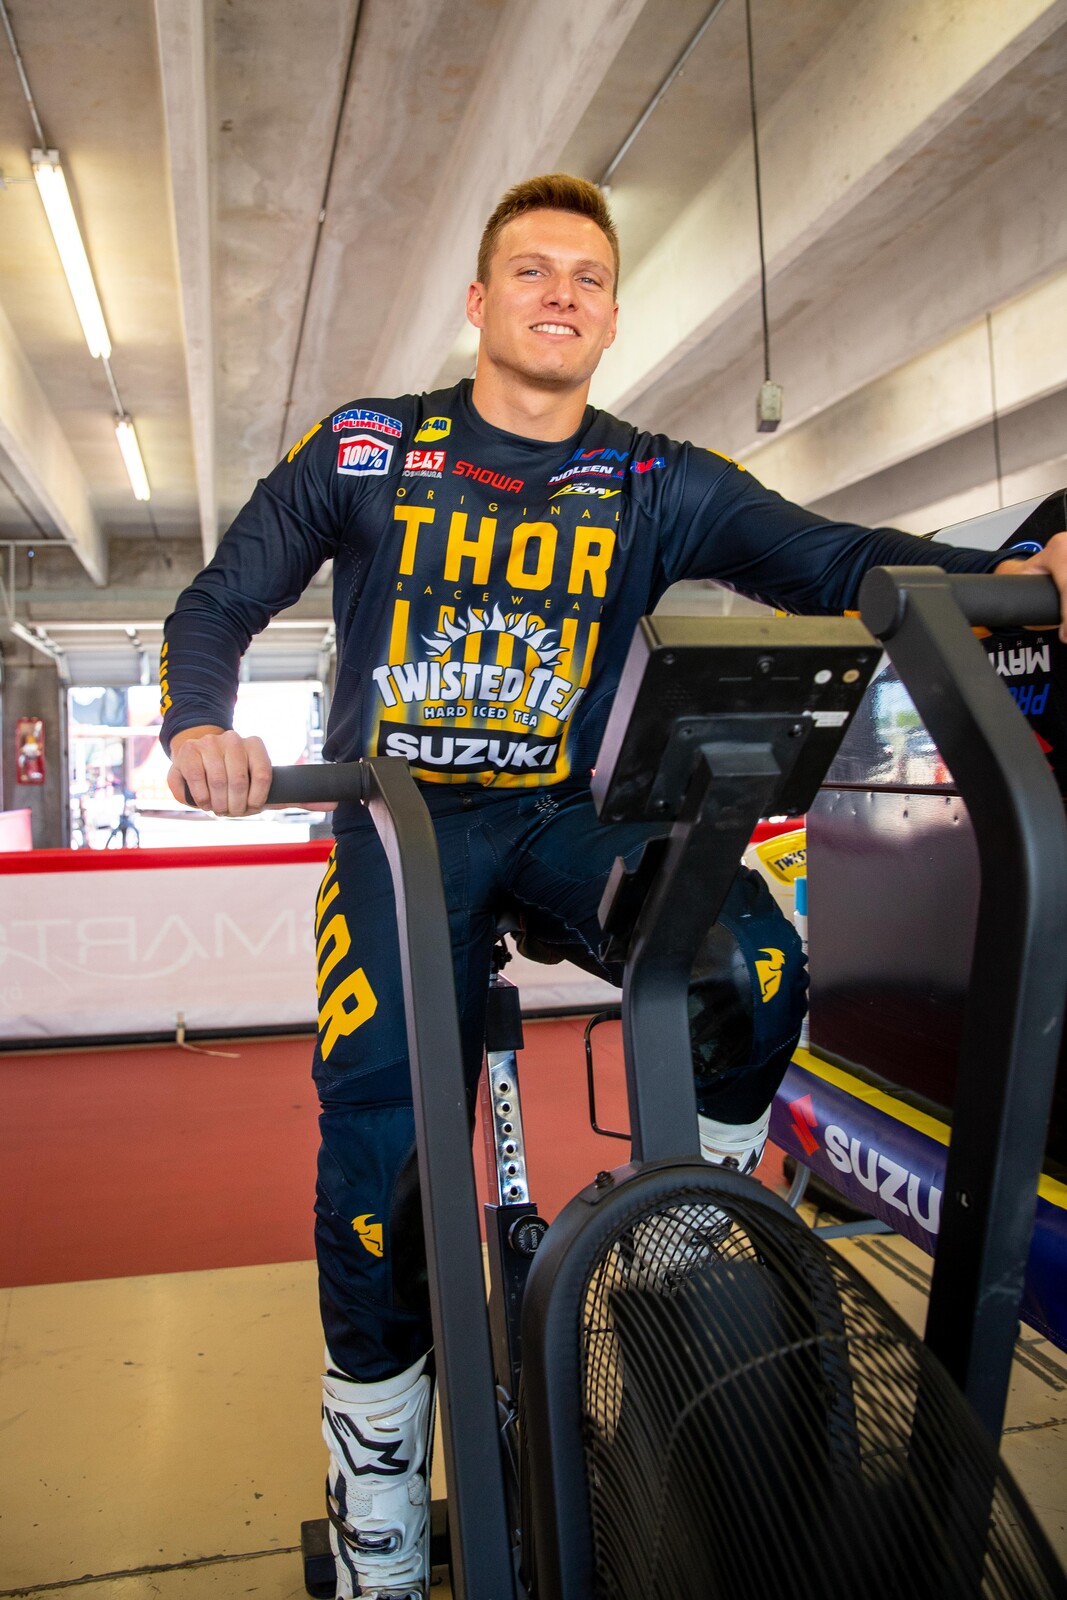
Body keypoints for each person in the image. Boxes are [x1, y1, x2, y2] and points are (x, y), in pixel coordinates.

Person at [161, 174, 1067, 1600]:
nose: (560, 293)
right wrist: (201, 723)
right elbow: (216, 600)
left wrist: (1022, 570)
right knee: (383, 1178)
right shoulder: (367, 448)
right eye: (531, 271)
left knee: (752, 965)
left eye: (586, 276)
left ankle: (689, 1235)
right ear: (479, 304)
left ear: (612, 317)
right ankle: (385, 1507)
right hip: (400, 828)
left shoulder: (651, 477)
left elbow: (832, 557)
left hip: (564, 820)